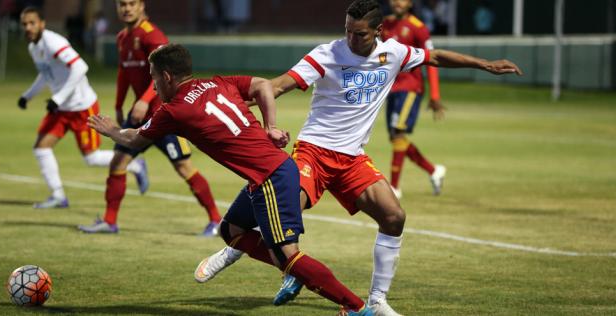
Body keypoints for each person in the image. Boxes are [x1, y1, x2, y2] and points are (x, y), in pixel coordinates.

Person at [193, 0, 522, 315]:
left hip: (352, 159)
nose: (351, 38)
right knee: (280, 214)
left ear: (379, 31)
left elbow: (434, 57)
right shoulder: (327, 54)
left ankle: (377, 300)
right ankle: (233, 248)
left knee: (394, 217)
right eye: (348, 30)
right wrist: (243, 107)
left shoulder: (394, 52)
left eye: (360, 33)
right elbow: (277, 85)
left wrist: (486, 65)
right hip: (313, 153)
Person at [88, 43, 374, 316]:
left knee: (288, 255)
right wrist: (269, 127)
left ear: (166, 76)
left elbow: (136, 139)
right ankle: (293, 271)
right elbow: (263, 85)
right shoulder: (217, 83)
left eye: (154, 79)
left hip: (270, 178)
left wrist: (113, 131)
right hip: (271, 173)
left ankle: (355, 306)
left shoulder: (174, 110)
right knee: (231, 230)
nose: (153, 87)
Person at [78, 0, 221, 236]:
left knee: (184, 168)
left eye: (131, 3)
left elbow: (166, 75)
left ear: (141, 6)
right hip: (137, 116)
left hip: (165, 115)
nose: (126, 8)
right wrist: (118, 103)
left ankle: (216, 220)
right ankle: (110, 221)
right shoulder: (122, 37)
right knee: (117, 163)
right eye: (122, 4)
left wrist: (145, 99)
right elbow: (124, 73)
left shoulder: (152, 36)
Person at [18, 6, 147, 209]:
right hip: (61, 108)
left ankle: (134, 164)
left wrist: (58, 98)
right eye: (24, 24)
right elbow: (46, 73)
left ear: (42, 23)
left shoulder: (53, 42)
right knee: (41, 148)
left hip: (81, 106)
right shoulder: (34, 48)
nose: (28, 27)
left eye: (32, 23)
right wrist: (27, 96)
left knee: (92, 158)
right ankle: (58, 196)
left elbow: (80, 67)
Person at [381, 0, 446, 199]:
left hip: (410, 88)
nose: (397, 2)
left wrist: (435, 95)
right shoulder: (385, 24)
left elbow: (432, 61)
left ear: (410, 3)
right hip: (391, 89)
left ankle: (394, 187)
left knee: (398, 133)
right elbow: (381, 55)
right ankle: (433, 170)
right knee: (396, 137)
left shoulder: (419, 28)